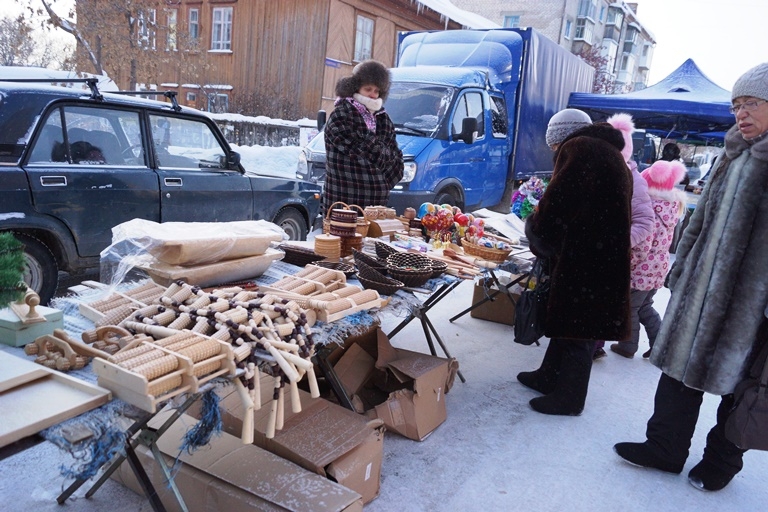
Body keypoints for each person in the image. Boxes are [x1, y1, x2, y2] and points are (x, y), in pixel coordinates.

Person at [614, 62, 768, 491]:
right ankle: (663, 448)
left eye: (752, 103)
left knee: (740, 389)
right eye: (737, 104)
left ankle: (720, 463)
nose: (741, 113)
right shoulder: (733, 152)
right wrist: (681, 268)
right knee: (678, 371)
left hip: (751, 306)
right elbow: (698, 223)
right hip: (699, 292)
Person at [517, 108, 633, 416]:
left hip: (587, 256)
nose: (554, 151)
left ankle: (569, 398)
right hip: (598, 254)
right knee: (571, 322)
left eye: (553, 144)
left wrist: (537, 231)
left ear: (561, 138)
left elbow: (559, 202)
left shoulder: (579, 149)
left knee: (579, 329)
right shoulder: (609, 153)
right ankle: (549, 376)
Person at [605, 113, 655, 359]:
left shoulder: (634, 180)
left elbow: (646, 222)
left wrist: (615, 244)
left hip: (616, 258)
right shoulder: (605, 172)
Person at [323, 60, 404, 211]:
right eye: (368, 89)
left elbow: (397, 163)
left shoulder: (383, 118)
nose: (373, 95)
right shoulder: (342, 114)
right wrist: (381, 171)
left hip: (376, 209)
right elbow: (349, 160)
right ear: (356, 88)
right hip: (343, 204)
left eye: (377, 91)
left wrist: (381, 177)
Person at [632, 159, 688, 359]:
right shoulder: (671, 207)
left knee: (631, 308)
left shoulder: (650, 209)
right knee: (645, 306)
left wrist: (630, 261)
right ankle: (659, 345)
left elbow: (643, 244)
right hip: (658, 266)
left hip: (643, 266)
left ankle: (627, 346)